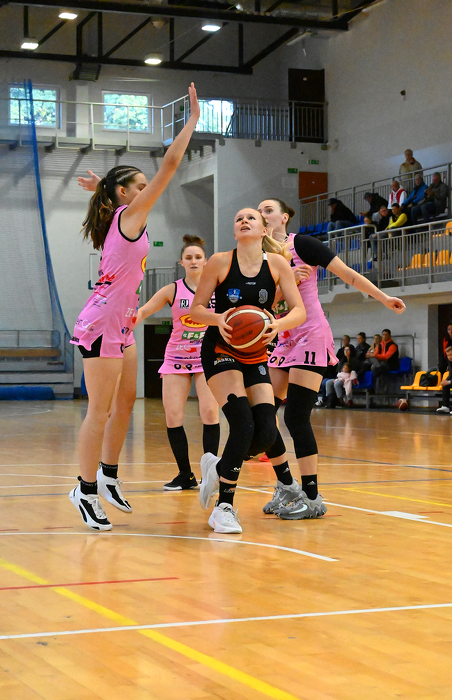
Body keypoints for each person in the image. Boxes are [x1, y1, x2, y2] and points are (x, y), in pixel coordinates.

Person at [68, 83, 200, 531]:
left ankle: (108, 475)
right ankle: (84, 490)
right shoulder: (129, 216)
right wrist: (192, 121)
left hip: (122, 321)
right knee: (100, 411)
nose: (148, 190)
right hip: (103, 318)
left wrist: (102, 187)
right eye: (140, 186)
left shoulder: (117, 215)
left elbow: (112, 194)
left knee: (125, 402)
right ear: (126, 195)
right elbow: (171, 165)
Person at [256, 198, 406, 520]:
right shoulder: (258, 257)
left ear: (284, 217)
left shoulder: (302, 245)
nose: (262, 215)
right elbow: (263, 305)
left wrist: (383, 298)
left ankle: (312, 497)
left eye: (268, 210)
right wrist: (286, 280)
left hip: (310, 334)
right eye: (259, 211)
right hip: (282, 337)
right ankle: (286, 485)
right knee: (263, 416)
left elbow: (347, 274)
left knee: (295, 417)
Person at [190, 208, 306, 534]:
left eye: (251, 218)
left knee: (267, 431)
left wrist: (277, 324)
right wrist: (218, 319)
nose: (243, 220)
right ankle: (223, 507)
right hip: (221, 349)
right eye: (238, 218)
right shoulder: (220, 262)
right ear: (235, 230)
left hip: (255, 352)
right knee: (242, 423)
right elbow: (197, 309)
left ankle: (218, 468)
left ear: (263, 229)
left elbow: (299, 310)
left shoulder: (277, 264)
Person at [135, 235, 220, 490]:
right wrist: (124, 324)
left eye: (198, 257)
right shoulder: (172, 289)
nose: (193, 261)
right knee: (173, 416)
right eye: (188, 257)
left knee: (209, 412)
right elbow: (144, 310)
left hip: (208, 356)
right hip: (176, 356)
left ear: (206, 261)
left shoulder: (217, 288)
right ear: (181, 262)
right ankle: (185, 475)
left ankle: (210, 474)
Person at [437, 346, 452, 414]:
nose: (450, 357)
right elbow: (451, 375)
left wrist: (449, 382)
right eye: (448, 355)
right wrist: (446, 381)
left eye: (451, 354)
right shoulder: (450, 363)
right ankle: (445, 406)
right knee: (445, 385)